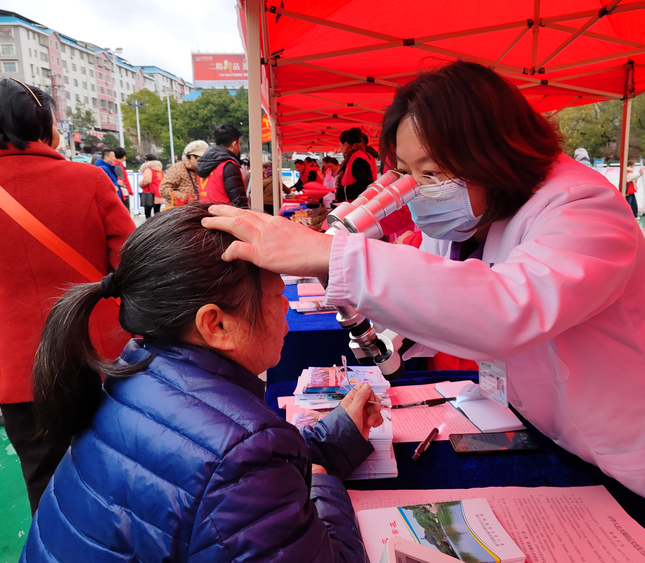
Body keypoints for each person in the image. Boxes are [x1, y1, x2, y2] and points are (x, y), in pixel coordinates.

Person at [203, 61, 645, 563]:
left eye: (436, 171)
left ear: (494, 150)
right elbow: (442, 294)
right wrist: (391, 340)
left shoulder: (583, 205)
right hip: (563, 440)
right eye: (412, 174)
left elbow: (507, 307)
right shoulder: (468, 220)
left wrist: (332, 254)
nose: (423, 191)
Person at [21, 204, 380, 562]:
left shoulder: (135, 373)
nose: (286, 306)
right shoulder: (241, 458)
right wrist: (320, 477)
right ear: (216, 324)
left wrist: (335, 440)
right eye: (275, 295)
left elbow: (208, 470)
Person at [0, 77, 134, 514]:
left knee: (44, 483)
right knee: (111, 469)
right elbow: (131, 262)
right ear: (45, 124)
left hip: (16, 372)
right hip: (93, 356)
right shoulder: (87, 180)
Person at [196, 123, 248, 207]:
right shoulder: (228, 165)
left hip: (207, 214)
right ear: (234, 145)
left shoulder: (203, 164)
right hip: (226, 216)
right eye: (239, 143)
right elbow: (239, 201)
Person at [159, 140, 207, 207]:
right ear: (190, 156)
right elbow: (163, 189)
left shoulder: (207, 169)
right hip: (179, 211)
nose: (203, 161)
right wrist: (185, 198)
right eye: (200, 158)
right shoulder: (178, 168)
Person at [335, 127, 377, 202]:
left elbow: (364, 185)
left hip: (358, 206)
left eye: (340, 145)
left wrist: (341, 191)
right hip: (355, 205)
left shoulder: (358, 159)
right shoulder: (353, 158)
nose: (340, 148)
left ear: (346, 144)